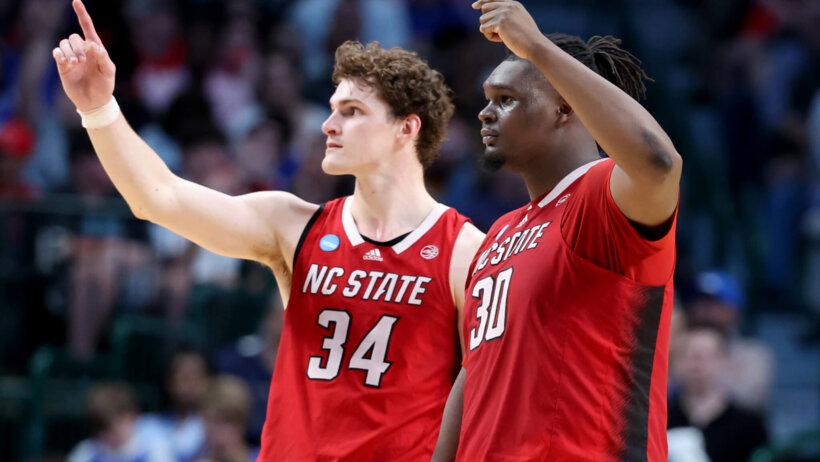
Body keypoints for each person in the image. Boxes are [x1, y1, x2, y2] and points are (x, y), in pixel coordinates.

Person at [52, 1, 484, 460]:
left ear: (406, 128)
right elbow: (158, 198)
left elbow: (485, 396)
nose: (328, 124)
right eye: (333, 108)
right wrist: (99, 108)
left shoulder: (465, 251)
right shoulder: (294, 224)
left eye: (352, 111)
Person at [434, 1, 682, 461]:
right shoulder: (500, 233)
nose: (486, 113)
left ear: (564, 108)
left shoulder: (600, 195)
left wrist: (535, 46)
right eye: (487, 98)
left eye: (507, 99)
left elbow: (659, 162)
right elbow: (474, 375)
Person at [667, 325, 769, 462]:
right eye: (689, 355)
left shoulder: (750, 425)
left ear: (723, 361)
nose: (697, 364)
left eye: (706, 356)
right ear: (677, 361)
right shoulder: (661, 420)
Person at [67, 383, 174, 462]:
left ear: (131, 417)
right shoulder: (86, 452)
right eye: (99, 429)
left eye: (110, 428)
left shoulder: (155, 447)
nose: (105, 435)